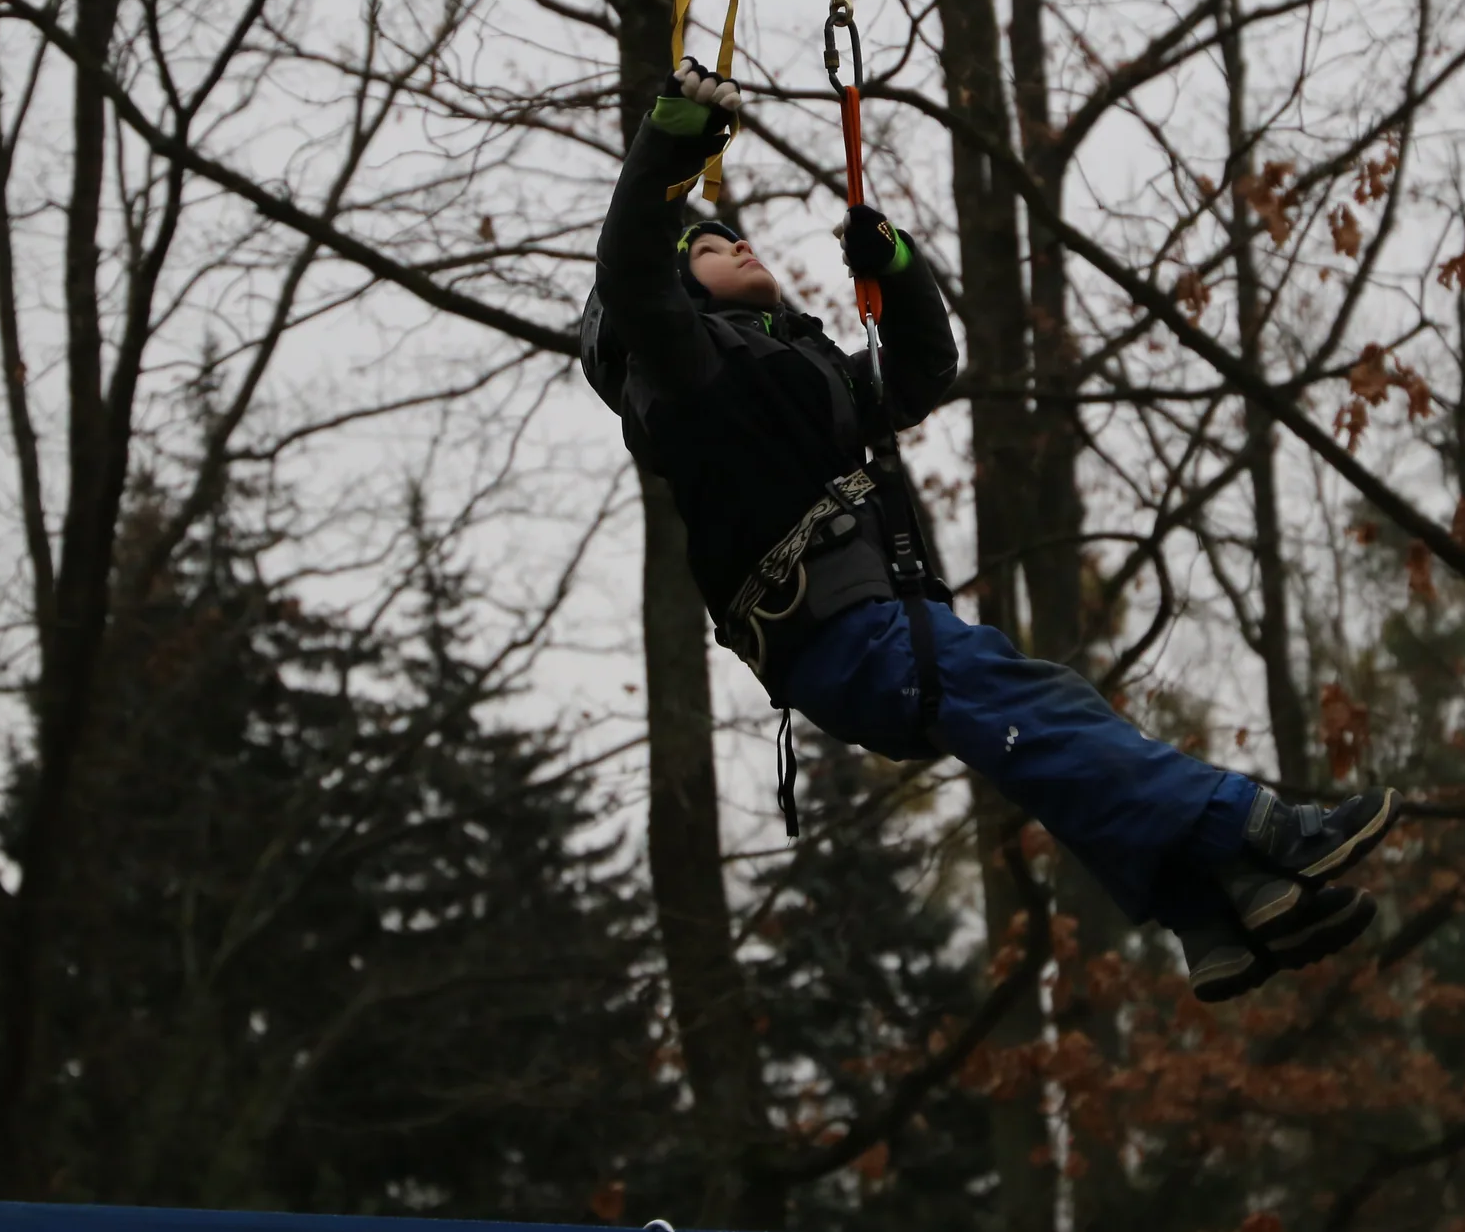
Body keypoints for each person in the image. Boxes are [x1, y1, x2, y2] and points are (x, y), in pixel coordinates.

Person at [584, 57, 1399, 1001]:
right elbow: (631, 270)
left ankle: (1219, 907)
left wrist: (897, 266)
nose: (740, 247)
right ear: (679, 296)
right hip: (845, 634)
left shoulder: (807, 377)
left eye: (737, 237)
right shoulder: (685, 377)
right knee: (1046, 707)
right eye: (713, 248)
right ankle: (1257, 827)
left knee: (1041, 735)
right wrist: (668, 143)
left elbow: (924, 371)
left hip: (872, 634)